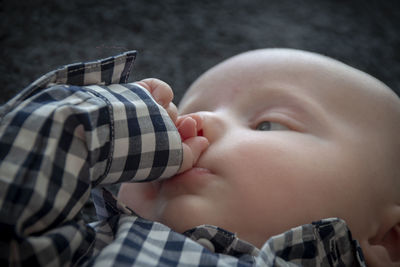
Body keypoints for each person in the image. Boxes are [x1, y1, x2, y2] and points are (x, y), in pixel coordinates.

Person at [0, 49, 397, 266]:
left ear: (389, 241)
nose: (194, 121)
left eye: (267, 124)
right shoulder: (87, 246)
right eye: (179, 116)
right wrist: (113, 124)